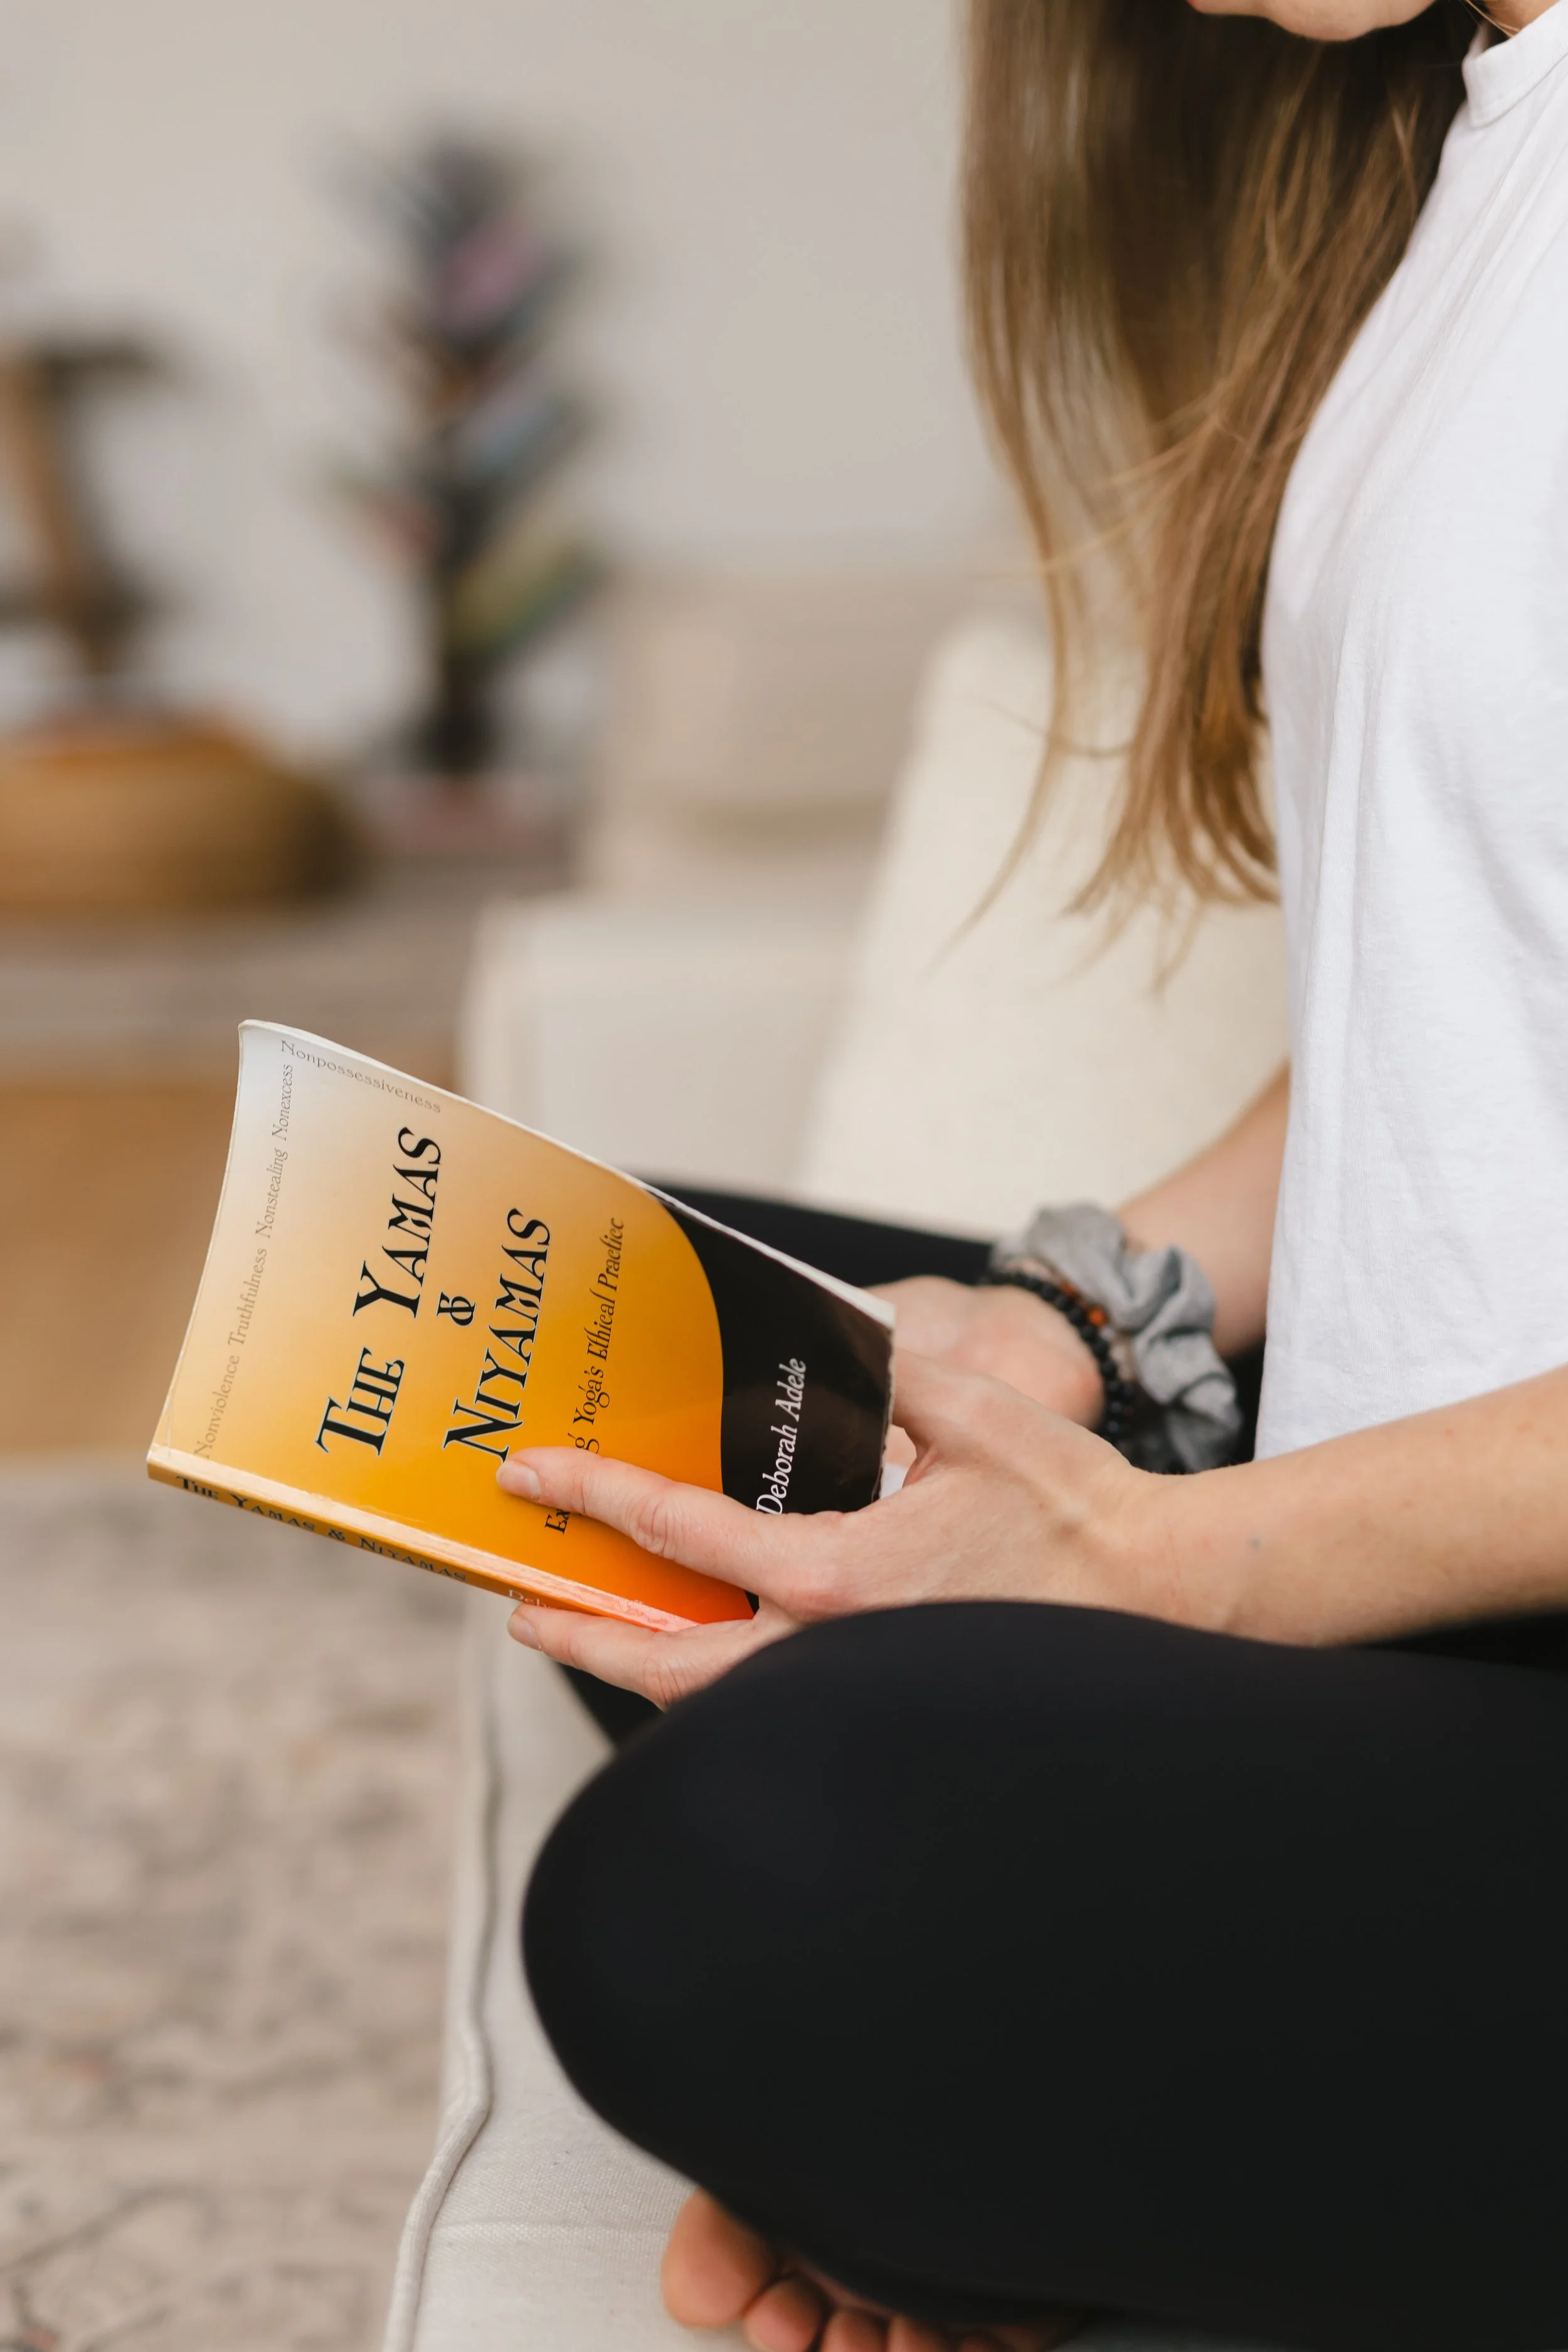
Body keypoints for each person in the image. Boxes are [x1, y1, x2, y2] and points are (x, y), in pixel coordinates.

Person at [497, 3, 1568, 2346]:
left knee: (730, 1872)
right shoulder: (1488, 138)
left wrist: (1170, 1572)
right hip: (1415, 1529)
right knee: (625, 1376)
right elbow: (1481, 985)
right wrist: (1064, 1318)